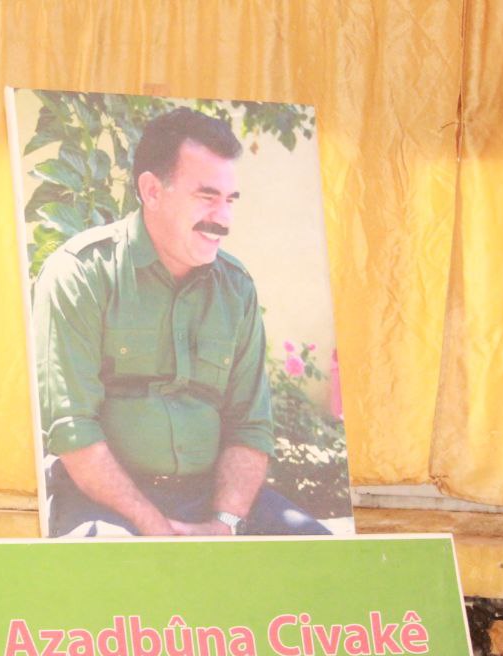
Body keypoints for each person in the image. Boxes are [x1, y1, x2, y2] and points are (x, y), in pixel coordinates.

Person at [32, 108, 329, 538]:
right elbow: (73, 432)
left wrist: (223, 525)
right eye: (207, 197)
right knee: (118, 563)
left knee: (321, 552)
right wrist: (157, 529)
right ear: (152, 191)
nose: (223, 218)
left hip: (210, 499)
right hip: (102, 502)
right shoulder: (81, 275)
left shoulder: (236, 289)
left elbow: (250, 429)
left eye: (230, 200)